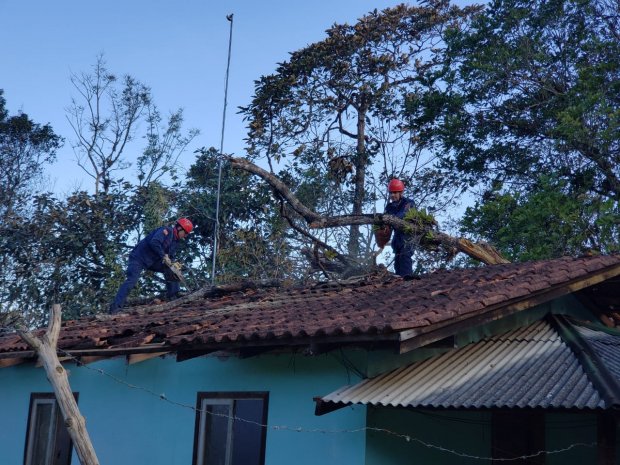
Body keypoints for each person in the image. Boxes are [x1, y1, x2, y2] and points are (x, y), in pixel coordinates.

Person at [109, 218, 193, 314]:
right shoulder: (166, 231)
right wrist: (163, 256)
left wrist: (174, 264)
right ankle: (115, 308)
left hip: (152, 261)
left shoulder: (176, 242)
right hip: (139, 258)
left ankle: (174, 295)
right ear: (179, 228)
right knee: (131, 281)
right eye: (185, 233)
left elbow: (171, 256)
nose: (185, 236)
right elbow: (154, 242)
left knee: (172, 270)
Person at [385, 179, 414, 277]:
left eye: (395, 192)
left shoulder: (408, 203)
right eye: (391, 193)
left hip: (407, 237)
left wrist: (391, 218)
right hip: (397, 239)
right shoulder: (389, 207)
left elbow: (403, 215)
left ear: (401, 192)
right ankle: (400, 285)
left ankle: (408, 282)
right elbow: (384, 222)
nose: (392, 195)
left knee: (405, 258)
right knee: (397, 263)